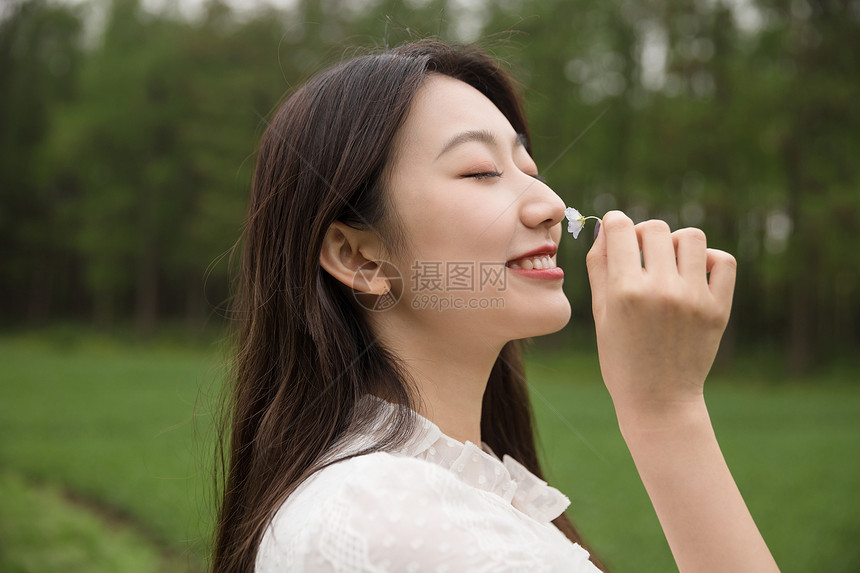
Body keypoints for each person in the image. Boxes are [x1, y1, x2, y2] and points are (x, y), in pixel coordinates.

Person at [212, 40, 779, 573]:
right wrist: (665, 411)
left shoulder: (459, 493)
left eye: (528, 171)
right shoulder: (377, 514)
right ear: (359, 257)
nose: (552, 205)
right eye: (481, 172)